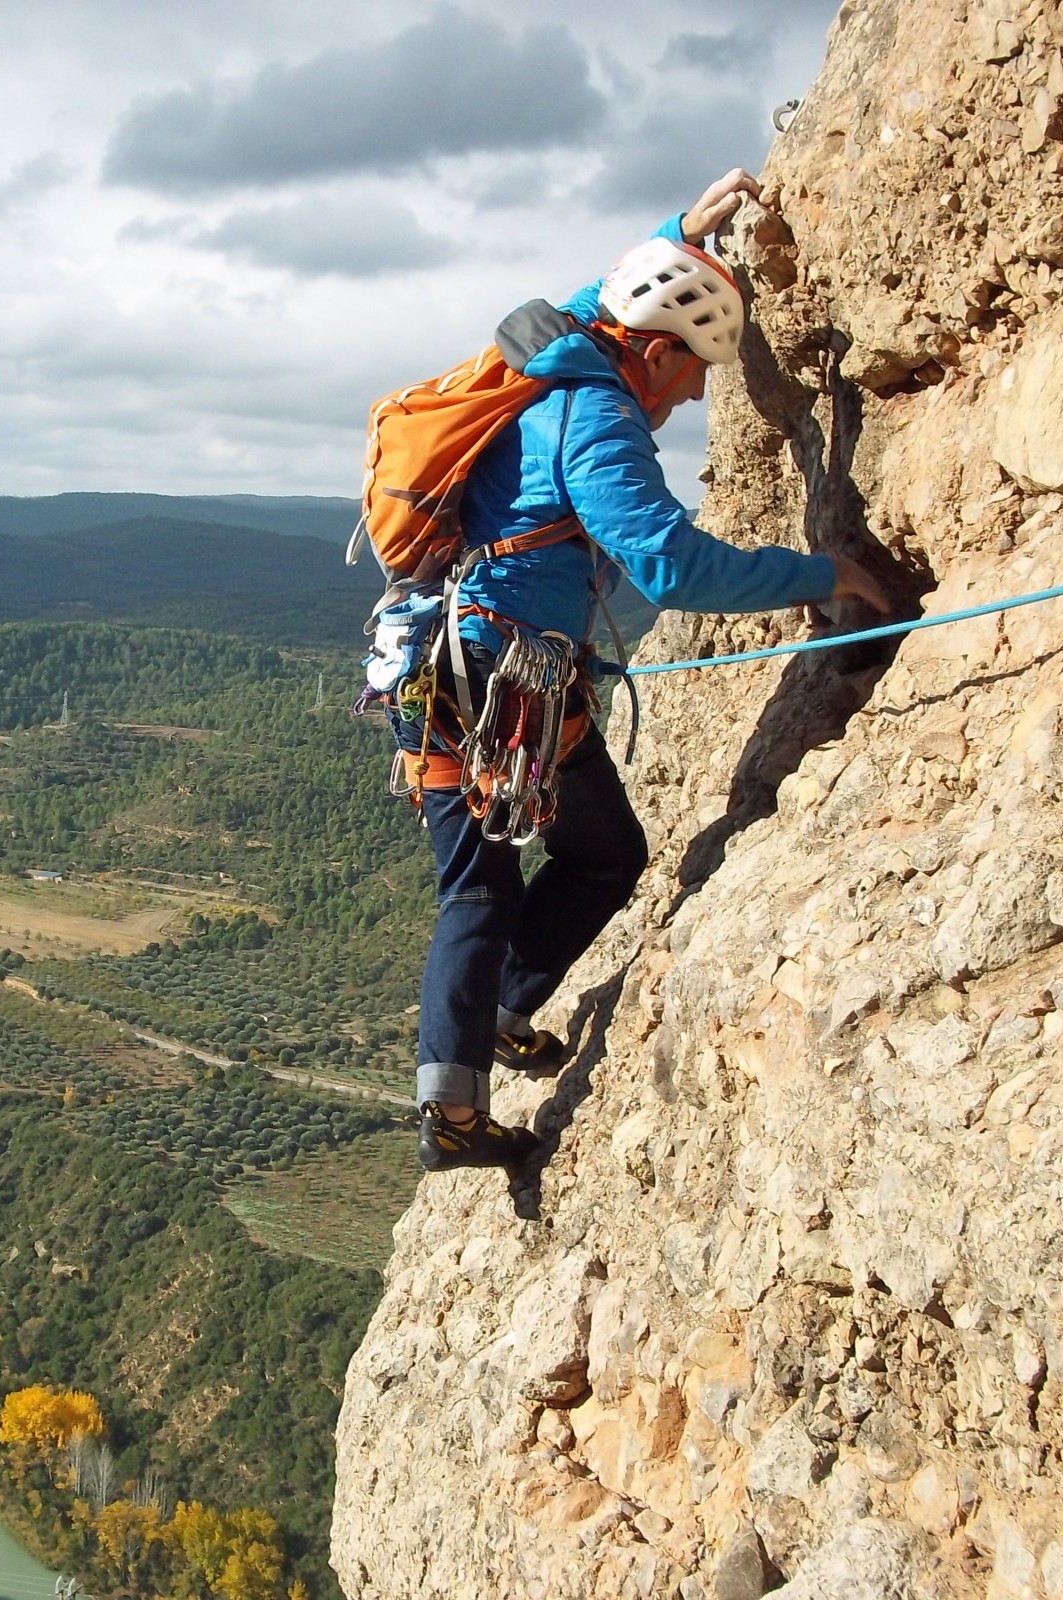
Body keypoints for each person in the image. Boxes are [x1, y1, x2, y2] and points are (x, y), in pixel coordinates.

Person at [396, 169, 890, 1172]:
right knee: (484, 891)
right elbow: (668, 563)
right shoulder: (598, 419)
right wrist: (821, 569)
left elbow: (594, 299)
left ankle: (496, 1012)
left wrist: (675, 231)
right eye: (695, 367)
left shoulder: (557, 357)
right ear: (655, 351)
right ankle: (451, 1111)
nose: (698, 392)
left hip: (472, 670)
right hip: (488, 684)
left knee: (602, 853)